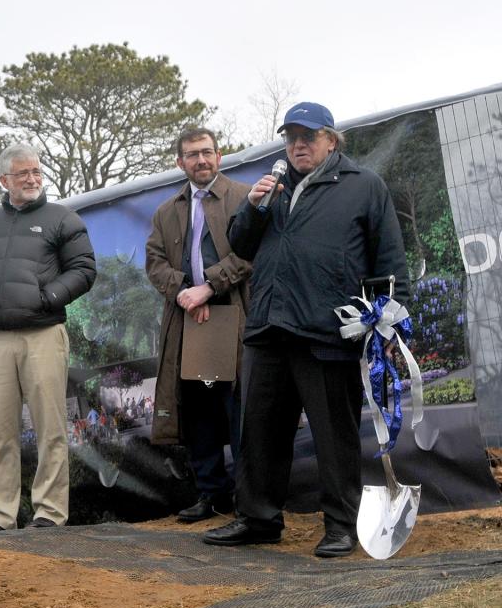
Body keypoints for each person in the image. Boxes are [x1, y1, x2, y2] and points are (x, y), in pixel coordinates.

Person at [203, 102, 409, 558]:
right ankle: (258, 518)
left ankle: (340, 525)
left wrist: (392, 324)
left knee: (334, 435)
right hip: (269, 327)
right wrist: (254, 208)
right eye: (291, 136)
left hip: (328, 329)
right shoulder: (270, 189)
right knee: (258, 430)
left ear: (331, 140)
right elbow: (239, 246)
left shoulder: (364, 186)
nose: (298, 144)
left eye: (308, 136)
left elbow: (390, 261)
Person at [0, 142, 96, 531]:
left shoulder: (61, 217)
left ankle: (50, 513)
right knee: (0, 432)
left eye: (36, 171)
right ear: (4, 180)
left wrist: (48, 297)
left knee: (50, 427)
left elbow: (85, 268)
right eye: (23, 174)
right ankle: (1, 515)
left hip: (43, 334)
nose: (32, 179)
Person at [145, 127, 252, 523]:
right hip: (190, 320)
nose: (201, 160)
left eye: (207, 152)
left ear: (219, 156)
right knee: (199, 412)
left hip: (238, 317)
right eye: (192, 155)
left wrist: (210, 286)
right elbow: (154, 262)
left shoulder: (244, 197)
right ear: (180, 162)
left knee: (240, 411)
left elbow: (253, 252)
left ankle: (249, 500)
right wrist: (186, 293)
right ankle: (212, 494)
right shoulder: (166, 210)